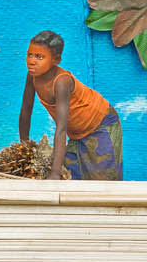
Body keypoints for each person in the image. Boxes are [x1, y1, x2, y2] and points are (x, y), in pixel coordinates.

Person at [19, 31, 123, 180]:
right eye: (30, 55)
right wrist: (24, 146)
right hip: (77, 132)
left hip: (101, 124)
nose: (32, 61)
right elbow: (26, 111)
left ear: (56, 60)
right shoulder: (32, 77)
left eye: (39, 57)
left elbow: (61, 129)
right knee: (73, 174)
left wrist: (55, 173)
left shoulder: (62, 82)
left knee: (103, 179)